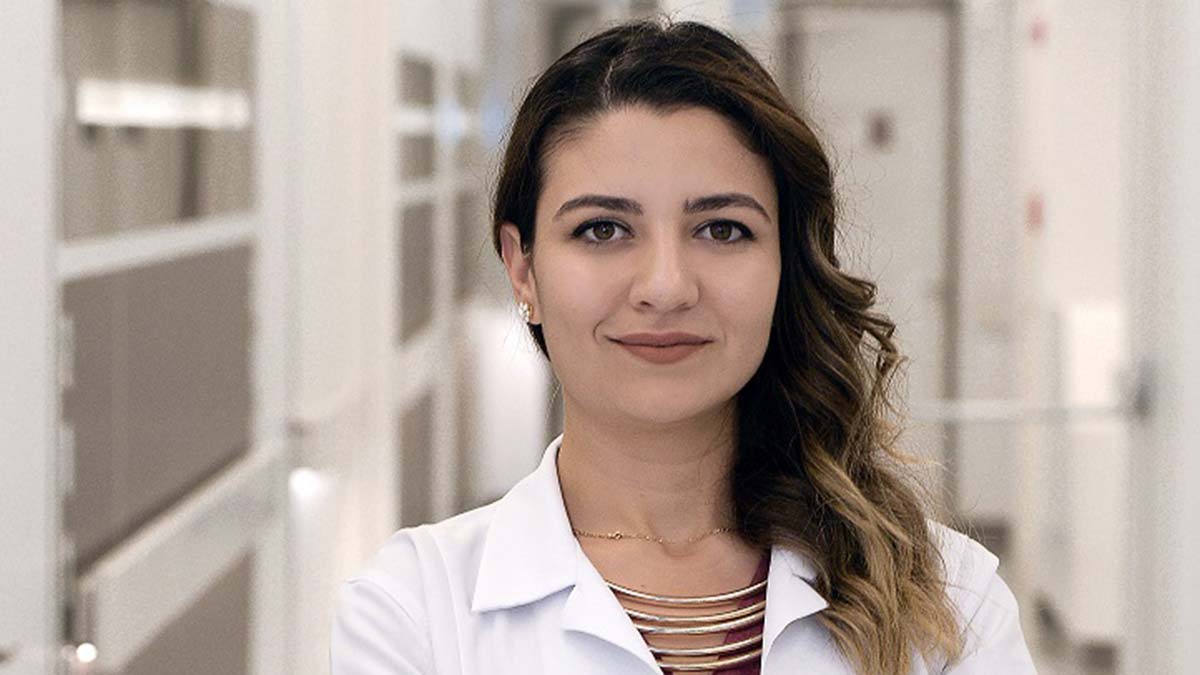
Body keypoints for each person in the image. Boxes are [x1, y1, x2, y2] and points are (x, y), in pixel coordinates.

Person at [330, 16, 1037, 675]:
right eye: (603, 229)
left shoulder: (951, 601)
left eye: (722, 229)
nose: (666, 287)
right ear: (523, 269)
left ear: (785, 263)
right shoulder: (413, 614)